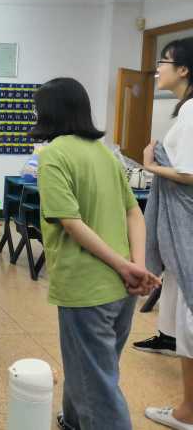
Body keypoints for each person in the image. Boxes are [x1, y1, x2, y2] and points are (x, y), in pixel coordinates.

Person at [31, 78, 160, 430]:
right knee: (93, 368)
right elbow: (134, 213)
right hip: (122, 287)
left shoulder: (53, 155)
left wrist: (126, 266)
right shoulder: (105, 153)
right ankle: (74, 420)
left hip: (86, 285)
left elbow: (71, 223)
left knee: (98, 384)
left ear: (48, 112)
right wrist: (135, 266)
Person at [141, 38, 193, 430]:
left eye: (164, 61)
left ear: (184, 69)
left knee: (190, 321)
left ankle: (187, 413)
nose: (158, 68)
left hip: (187, 230)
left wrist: (149, 164)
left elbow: (188, 174)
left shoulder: (191, 111)